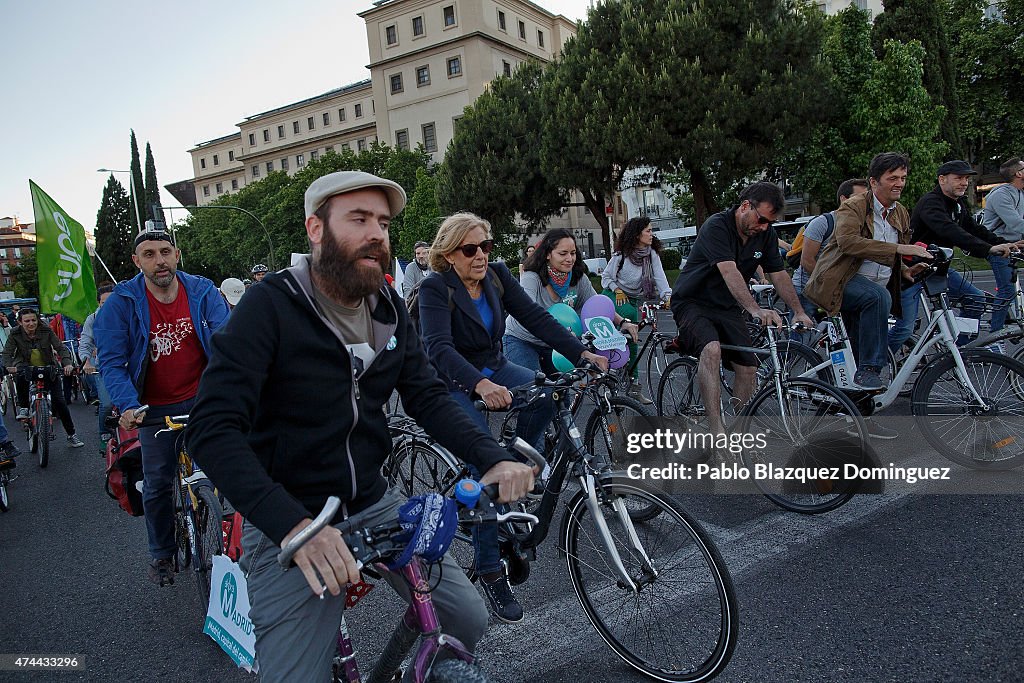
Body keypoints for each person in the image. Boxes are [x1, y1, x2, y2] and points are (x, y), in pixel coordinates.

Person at [186, 171, 534, 681]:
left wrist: (494, 456)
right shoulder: (270, 307)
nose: (377, 233)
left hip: (373, 500)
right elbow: (211, 428)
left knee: (466, 618)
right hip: (292, 516)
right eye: (359, 219)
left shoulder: (388, 305)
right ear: (316, 229)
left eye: (385, 223)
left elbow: (427, 395)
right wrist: (295, 527)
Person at [420, 212, 606, 623]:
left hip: (495, 365)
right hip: (453, 380)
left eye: (486, 245)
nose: (482, 255)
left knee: (544, 395)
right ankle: (490, 569)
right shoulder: (435, 288)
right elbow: (437, 348)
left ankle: (520, 467)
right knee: (484, 463)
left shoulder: (498, 275)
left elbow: (536, 318)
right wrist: (479, 386)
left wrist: (581, 353)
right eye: (471, 249)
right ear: (449, 254)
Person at [95, 230, 230, 587]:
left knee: (230, 468)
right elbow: (112, 363)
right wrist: (127, 405)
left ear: (177, 255)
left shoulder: (203, 292)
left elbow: (229, 344)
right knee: (156, 483)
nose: (160, 261)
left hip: (203, 398)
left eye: (166, 252)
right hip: (151, 408)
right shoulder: (120, 304)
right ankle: (162, 553)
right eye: (150, 254)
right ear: (137, 262)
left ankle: (228, 537)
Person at [673, 182, 814, 437]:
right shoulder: (717, 226)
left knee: (749, 367)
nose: (763, 227)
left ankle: (738, 431)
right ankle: (717, 433)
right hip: (693, 302)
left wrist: (798, 310)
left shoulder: (765, 234)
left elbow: (779, 274)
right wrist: (755, 309)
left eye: (769, 223)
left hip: (726, 306)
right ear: (745, 206)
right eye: (761, 219)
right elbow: (729, 270)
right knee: (711, 349)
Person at [806, 153, 932, 393]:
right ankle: (870, 369)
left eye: (903, 177)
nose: (900, 183)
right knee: (878, 297)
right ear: (874, 182)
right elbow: (848, 242)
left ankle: (855, 411)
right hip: (840, 281)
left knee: (853, 353)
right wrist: (899, 249)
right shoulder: (853, 206)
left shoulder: (901, 212)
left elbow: (889, 255)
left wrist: (905, 270)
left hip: (872, 288)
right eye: (892, 178)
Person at [889, 159, 1020, 352]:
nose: (964, 183)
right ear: (942, 180)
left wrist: (1001, 243)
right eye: (958, 178)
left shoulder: (957, 204)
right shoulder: (931, 203)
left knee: (976, 300)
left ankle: (959, 350)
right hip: (913, 270)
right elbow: (951, 231)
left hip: (938, 269)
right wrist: (987, 249)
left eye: (966, 178)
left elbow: (974, 228)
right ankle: (874, 362)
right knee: (904, 328)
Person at [504, 228, 638, 375]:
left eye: (573, 253)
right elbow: (528, 314)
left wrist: (623, 322)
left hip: (556, 341)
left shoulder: (578, 278)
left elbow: (596, 305)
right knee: (532, 387)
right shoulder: (532, 277)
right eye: (563, 253)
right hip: (522, 339)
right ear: (548, 254)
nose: (570, 259)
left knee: (560, 393)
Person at [600, 216, 672, 403]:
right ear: (637, 234)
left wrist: (668, 296)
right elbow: (606, 277)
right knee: (616, 339)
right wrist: (617, 290)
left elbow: (660, 277)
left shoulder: (651, 254)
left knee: (632, 343)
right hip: (613, 297)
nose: (651, 234)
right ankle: (606, 377)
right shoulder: (622, 255)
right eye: (648, 230)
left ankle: (634, 389)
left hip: (632, 300)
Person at [791, 178, 871, 337]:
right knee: (800, 341)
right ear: (844, 199)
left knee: (841, 338)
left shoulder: (861, 225)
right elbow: (807, 261)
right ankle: (790, 359)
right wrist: (832, 284)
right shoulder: (823, 222)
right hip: (807, 289)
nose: (865, 203)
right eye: (860, 198)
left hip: (835, 291)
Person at [2, 308, 85, 448]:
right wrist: (9, 366)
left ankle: (71, 434)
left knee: (60, 401)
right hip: (24, 366)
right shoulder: (14, 333)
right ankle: (24, 408)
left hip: (48, 367)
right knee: (21, 376)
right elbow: (7, 353)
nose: (31, 323)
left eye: (33, 320)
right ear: (20, 322)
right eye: (27, 321)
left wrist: (68, 364)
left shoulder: (46, 330)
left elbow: (61, 348)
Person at [981, 157, 1024, 336]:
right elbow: (1016, 224)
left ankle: (1013, 317)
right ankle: (995, 335)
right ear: (1019, 173)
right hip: (997, 247)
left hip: (1014, 245)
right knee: (1006, 288)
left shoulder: (1020, 192)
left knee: (1009, 288)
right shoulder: (1001, 194)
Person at [79, 284, 116, 448]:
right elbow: (85, 343)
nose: (107, 306)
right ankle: (104, 433)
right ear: (98, 304)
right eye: (103, 303)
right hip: (104, 367)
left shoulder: (129, 314)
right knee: (107, 403)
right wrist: (86, 362)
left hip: (129, 366)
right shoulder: (93, 319)